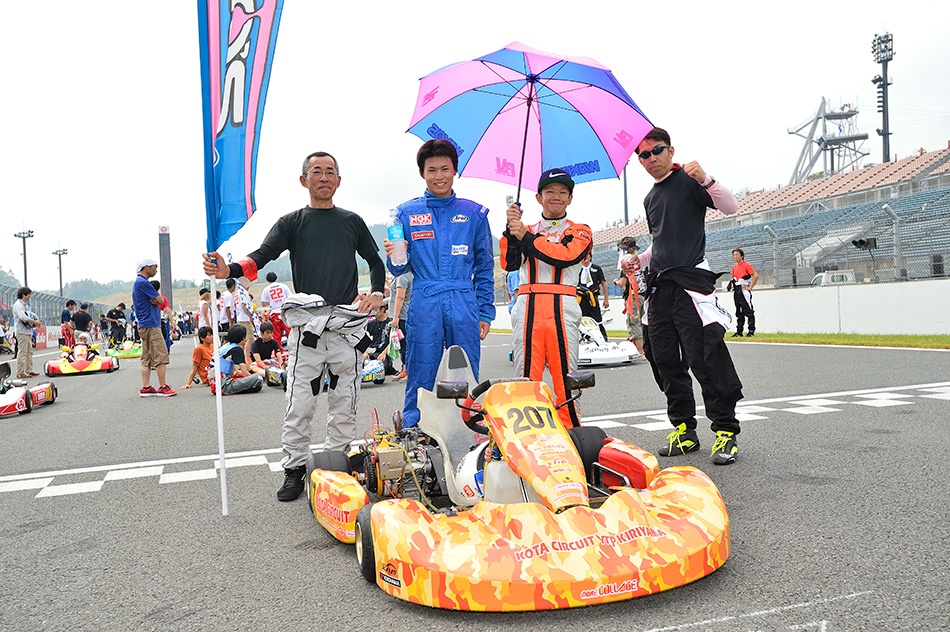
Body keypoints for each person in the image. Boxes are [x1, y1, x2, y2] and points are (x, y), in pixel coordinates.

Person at [202, 150, 385, 502]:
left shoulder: (352, 221)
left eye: (330, 171)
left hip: (345, 329)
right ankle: (294, 469)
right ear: (304, 180)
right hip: (308, 330)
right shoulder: (292, 222)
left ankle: (335, 467)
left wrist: (376, 293)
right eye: (316, 171)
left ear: (339, 180)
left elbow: (375, 262)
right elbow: (263, 255)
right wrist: (230, 270)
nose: (324, 177)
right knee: (299, 404)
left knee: (344, 402)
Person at [625, 127, 742, 465]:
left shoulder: (689, 180)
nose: (651, 158)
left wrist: (706, 179)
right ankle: (684, 430)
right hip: (659, 289)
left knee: (705, 356)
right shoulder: (650, 198)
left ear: (671, 150)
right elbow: (661, 242)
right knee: (663, 360)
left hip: (690, 283)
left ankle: (725, 431)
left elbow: (731, 207)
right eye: (644, 155)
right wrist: (641, 260)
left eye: (657, 150)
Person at [383, 140, 495, 429]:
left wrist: (485, 312)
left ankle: (466, 428)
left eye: (445, 169)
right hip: (425, 299)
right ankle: (414, 428)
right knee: (420, 367)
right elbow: (399, 269)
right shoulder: (405, 214)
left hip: (463, 299)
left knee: (465, 370)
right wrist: (394, 255)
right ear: (422, 173)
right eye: (431, 170)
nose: (439, 176)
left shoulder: (474, 214)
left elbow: (484, 268)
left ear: (455, 170)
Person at [501, 168, 593, 430]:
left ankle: (571, 431)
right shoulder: (524, 229)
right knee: (526, 376)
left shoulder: (580, 230)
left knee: (565, 377)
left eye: (563, 192)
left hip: (563, 308)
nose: (556, 196)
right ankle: (529, 433)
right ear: (538, 197)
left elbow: (565, 256)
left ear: (570, 198)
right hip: (527, 308)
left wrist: (525, 237)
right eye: (550, 191)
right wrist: (510, 230)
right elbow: (510, 263)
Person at [133, 258, 176, 397]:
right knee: (160, 355)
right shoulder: (144, 282)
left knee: (146, 357)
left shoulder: (138, 282)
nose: (156, 270)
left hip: (144, 323)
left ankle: (146, 387)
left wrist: (156, 300)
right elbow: (161, 300)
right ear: (146, 267)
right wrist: (157, 300)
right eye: (154, 267)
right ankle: (163, 386)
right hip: (151, 323)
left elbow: (158, 300)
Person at [209, 325, 264, 395]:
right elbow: (245, 373)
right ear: (243, 338)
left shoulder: (226, 346)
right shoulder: (237, 349)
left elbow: (235, 371)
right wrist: (253, 377)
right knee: (258, 377)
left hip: (215, 384)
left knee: (250, 378)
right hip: (223, 385)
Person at [615, 236, 645, 357]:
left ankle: (640, 351)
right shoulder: (640, 259)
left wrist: (615, 282)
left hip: (633, 296)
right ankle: (645, 349)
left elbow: (622, 283)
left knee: (634, 322)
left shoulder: (626, 262)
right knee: (643, 321)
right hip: (644, 295)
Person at [577, 253, 610, 339]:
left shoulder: (596, 268)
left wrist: (606, 299)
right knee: (582, 319)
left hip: (593, 298)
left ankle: (603, 338)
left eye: (587, 256)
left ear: (590, 257)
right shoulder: (578, 269)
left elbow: (603, 283)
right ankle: (585, 338)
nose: (585, 258)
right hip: (581, 298)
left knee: (597, 319)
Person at [388, 271, 412, 381]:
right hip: (404, 315)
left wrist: (395, 317)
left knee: (405, 344)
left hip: (402, 316)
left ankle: (408, 371)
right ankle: (405, 368)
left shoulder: (402, 276)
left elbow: (400, 297)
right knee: (402, 345)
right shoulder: (407, 274)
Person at [13, 287, 41, 378]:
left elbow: (30, 316)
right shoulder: (18, 305)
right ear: (23, 295)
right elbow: (23, 317)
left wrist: (36, 322)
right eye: (28, 294)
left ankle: (29, 370)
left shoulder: (25, 305)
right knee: (22, 352)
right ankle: (20, 372)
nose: (29, 296)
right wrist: (34, 322)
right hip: (21, 332)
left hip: (27, 331)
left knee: (29, 351)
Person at [729, 248, 758, 337]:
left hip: (744, 290)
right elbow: (734, 279)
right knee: (739, 311)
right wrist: (734, 289)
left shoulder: (746, 265)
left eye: (737, 254)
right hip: (737, 290)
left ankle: (751, 331)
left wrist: (750, 287)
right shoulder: (734, 267)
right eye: (734, 255)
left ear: (742, 256)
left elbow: (756, 276)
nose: (735, 256)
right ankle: (739, 332)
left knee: (748, 310)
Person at [364, 304, 398, 377]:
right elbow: (366, 340)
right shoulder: (370, 324)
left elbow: (393, 342)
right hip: (371, 352)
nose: (373, 313)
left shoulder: (391, 323)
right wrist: (364, 352)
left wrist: (384, 353)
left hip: (383, 353)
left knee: (382, 367)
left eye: (375, 310)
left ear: (382, 310)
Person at [261, 271, 290, 352]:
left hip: (274, 313)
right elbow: (290, 297)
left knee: (277, 335)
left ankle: (279, 352)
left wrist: (272, 301)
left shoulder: (266, 289)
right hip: (284, 312)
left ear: (267, 280)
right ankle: (293, 351)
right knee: (289, 332)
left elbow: (263, 303)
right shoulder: (283, 286)